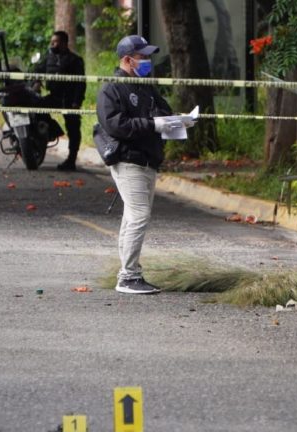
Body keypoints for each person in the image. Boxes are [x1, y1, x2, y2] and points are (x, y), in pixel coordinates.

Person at [96, 35, 192, 294]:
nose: (148, 61)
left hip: (149, 159)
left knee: (132, 217)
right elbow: (116, 125)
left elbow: (163, 110)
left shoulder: (145, 86)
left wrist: (176, 121)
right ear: (128, 60)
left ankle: (127, 273)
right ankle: (128, 277)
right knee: (139, 216)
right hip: (129, 160)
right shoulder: (112, 89)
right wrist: (152, 125)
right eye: (143, 57)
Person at [34, 31, 86, 171]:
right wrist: (36, 81)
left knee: (73, 128)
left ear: (64, 43)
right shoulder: (48, 58)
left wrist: (77, 102)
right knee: (35, 108)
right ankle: (52, 131)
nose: (52, 44)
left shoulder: (75, 60)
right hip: (54, 96)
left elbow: (81, 83)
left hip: (70, 99)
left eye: (55, 42)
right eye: (52, 42)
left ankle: (71, 160)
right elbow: (36, 70)